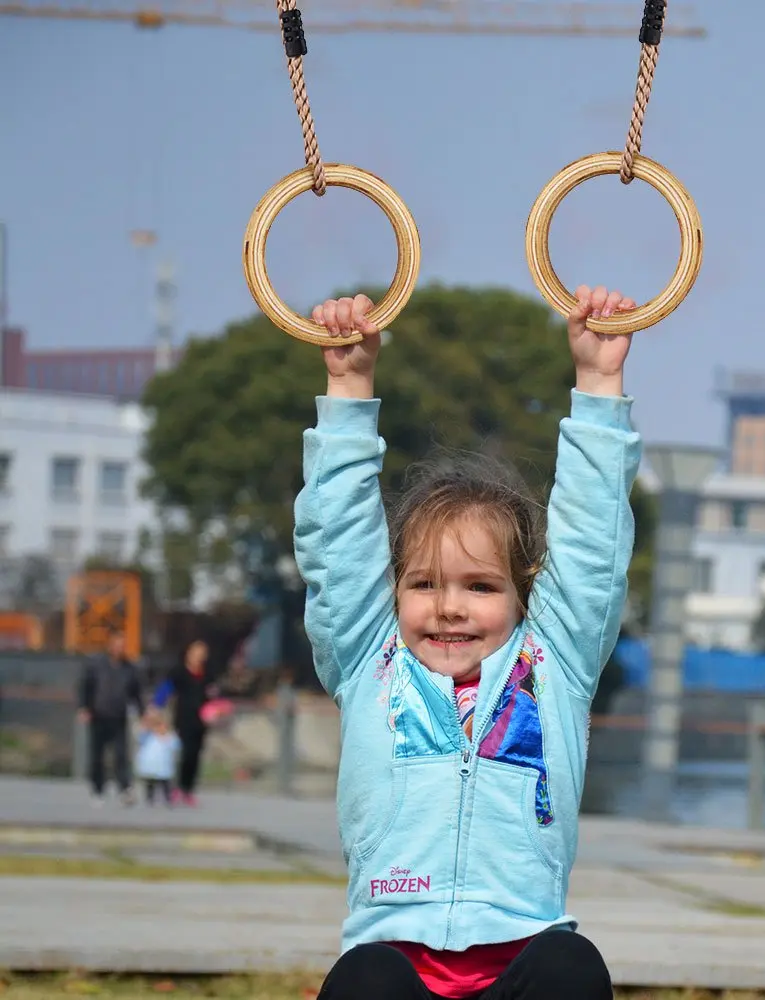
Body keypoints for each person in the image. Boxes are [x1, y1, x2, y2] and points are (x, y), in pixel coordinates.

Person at [294, 286, 641, 1000]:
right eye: (423, 583)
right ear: (391, 593)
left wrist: (599, 381)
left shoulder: (554, 664)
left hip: (522, 963)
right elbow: (338, 545)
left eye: (480, 587)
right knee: (364, 981)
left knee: (574, 969)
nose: (449, 608)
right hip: (392, 964)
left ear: (524, 597)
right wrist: (348, 382)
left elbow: (591, 549)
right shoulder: (367, 659)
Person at [77, 629, 144, 806]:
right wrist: (84, 708)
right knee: (97, 756)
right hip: (99, 715)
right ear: (109, 645)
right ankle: (98, 789)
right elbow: (86, 686)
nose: (119, 648)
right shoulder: (96, 665)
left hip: (119, 717)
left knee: (121, 754)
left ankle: (125, 789)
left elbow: (136, 694)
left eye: (122, 645)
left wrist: (142, 713)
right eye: (116, 644)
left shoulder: (129, 668)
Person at [164, 639, 214, 805]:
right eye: (196, 653)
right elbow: (166, 690)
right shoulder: (179, 672)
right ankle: (177, 786)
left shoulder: (207, 674)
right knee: (184, 753)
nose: (199, 657)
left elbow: (212, 695)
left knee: (195, 755)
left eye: (202, 654)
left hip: (202, 721)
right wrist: (156, 707)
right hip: (183, 719)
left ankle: (189, 789)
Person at [135, 707, 181, 806]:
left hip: (163, 765)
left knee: (165, 782)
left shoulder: (168, 736)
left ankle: (168, 798)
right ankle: (149, 798)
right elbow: (140, 741)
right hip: (150, 765)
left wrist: (166, 738)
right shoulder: (147, 735)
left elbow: (176, 745)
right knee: (150, 783)